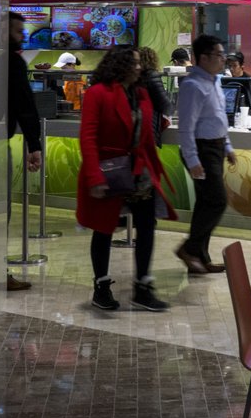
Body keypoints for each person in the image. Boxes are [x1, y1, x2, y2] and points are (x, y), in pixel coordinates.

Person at [77, 46, 175, 311]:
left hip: (139, 169)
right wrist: (94, 176)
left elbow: (155, 120)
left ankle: (143, 286)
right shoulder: (97, 94)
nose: (139, 67)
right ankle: (101, 287)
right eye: (134, 63)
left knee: (146, 224)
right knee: (104, 228)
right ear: (119, 65)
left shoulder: (141, 92)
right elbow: (88, 136)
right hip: (109, 169)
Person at [175, 34, 237, 274]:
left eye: (223, 54)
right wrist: (192, 159)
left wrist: (227, 147)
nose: (223, 59)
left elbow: (218, 118)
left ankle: (200, 257)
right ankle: (189, 249)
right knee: (217, 201)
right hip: (202, 150)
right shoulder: (192, 86)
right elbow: (186, 127)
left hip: (216, 148)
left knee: (205, 203)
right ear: (203, 58)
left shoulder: (215, 81)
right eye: (218, 55)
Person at [5, 12, 43, 291]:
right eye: (18, 31)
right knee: (1, 211)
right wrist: (35, 144)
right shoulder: (13, 62)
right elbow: (25, 103)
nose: (22, 37)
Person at [138, 47, 173, 147]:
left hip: (139, 125)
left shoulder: (136, 76)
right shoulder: (152, 75)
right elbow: (165, 103)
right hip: (150, 125)